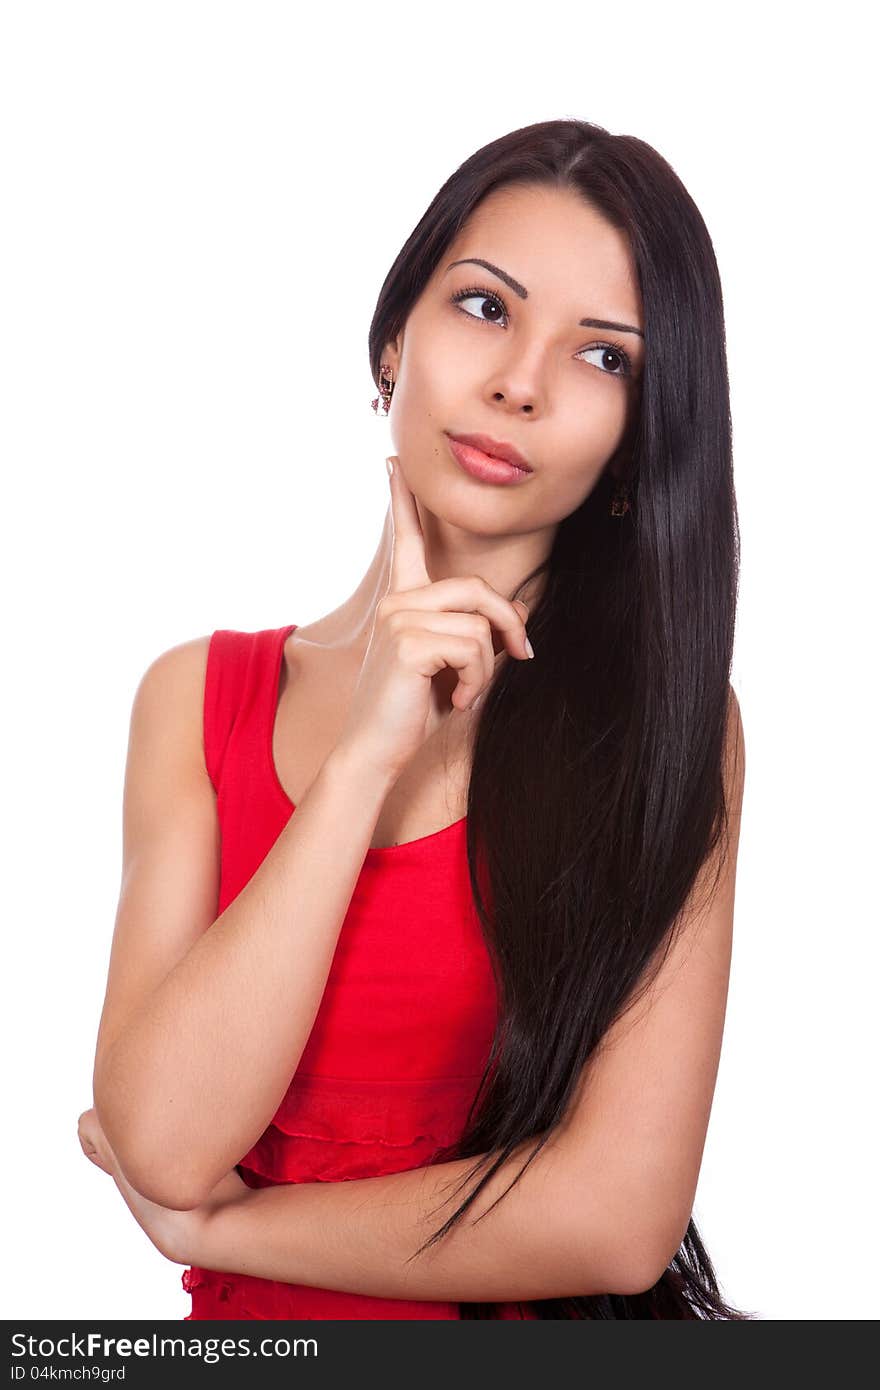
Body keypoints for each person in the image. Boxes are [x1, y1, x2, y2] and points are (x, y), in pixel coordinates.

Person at [79, 117, 752, 1319]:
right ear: (393, 337)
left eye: (604, 359)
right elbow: (168, 1137)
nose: (519, 383)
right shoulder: (196, 696)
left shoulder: (668, 723)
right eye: (486, 308)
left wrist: (225, 1224)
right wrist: (365, 756)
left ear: (641, 437)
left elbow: (614, 1222)